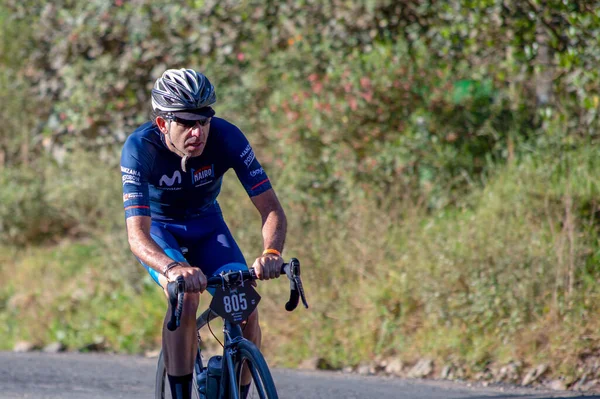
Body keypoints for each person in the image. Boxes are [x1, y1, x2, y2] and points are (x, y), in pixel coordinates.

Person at [120, 68, 287, 399]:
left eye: (203, 120)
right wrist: (172, 268)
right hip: (161, 230)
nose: (197, 131)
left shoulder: (227, 137)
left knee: (244, 301)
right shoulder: (140, 149)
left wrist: (271, 254)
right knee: (184, 296)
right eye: (185, 123)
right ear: (163, 124)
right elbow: (137, 235)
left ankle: (237, 392)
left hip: (208, 225)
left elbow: (271, 209)